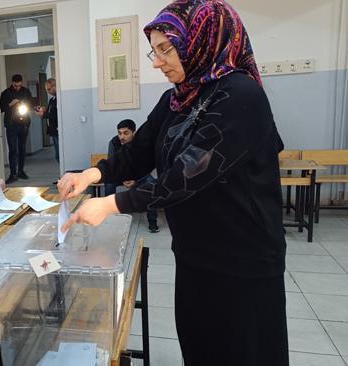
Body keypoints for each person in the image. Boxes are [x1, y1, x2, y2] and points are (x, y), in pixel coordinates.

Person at [57, 1, 287, 365]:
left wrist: (111, 204)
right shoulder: (177, 98)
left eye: (166, 49)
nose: (157, 61)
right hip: (195, 253)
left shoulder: (241, 96)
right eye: (155, 50)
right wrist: (93, 174)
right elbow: (141, 150)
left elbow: (187, 174)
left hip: (242, 263)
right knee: (199, 349)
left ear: (201, 41)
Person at [104, 119, 159, 233]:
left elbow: (146, 165)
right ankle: (110, 216)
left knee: (152, 184)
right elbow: (113, 163)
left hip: (139, 175)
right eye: (119, 133)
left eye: (126, 133)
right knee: (109, 183)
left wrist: (135, 180)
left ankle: (152, 221)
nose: (122, 137)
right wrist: (123, 178)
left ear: (134, 133)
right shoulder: (114, 142)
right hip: (120, 176)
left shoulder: (142, 143)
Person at [0, 74, 33, 183]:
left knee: (22, 148)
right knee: (13, 150)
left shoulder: (26, 92)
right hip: (11, 124)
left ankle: (21, 171)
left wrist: (24, 104)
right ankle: (13, 173)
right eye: (15, 86)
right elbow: (2, 108)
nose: (17, 87)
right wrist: (11, 104)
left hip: (23, 123)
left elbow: (31, 104)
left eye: (19, 85)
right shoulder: (6, 93)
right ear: (12, 82)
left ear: (21, 83)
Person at [35, 78, 59, 163]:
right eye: (47, 90)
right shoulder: (52, 100)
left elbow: (55, 114)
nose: (48, 91)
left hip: (57, 130)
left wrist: (43, 115)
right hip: (52, 130)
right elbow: (49, 111)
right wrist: (43, 109)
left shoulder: (59, 99)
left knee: (59, 155)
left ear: (55, 86)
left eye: (49, 89)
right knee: (57, 155)